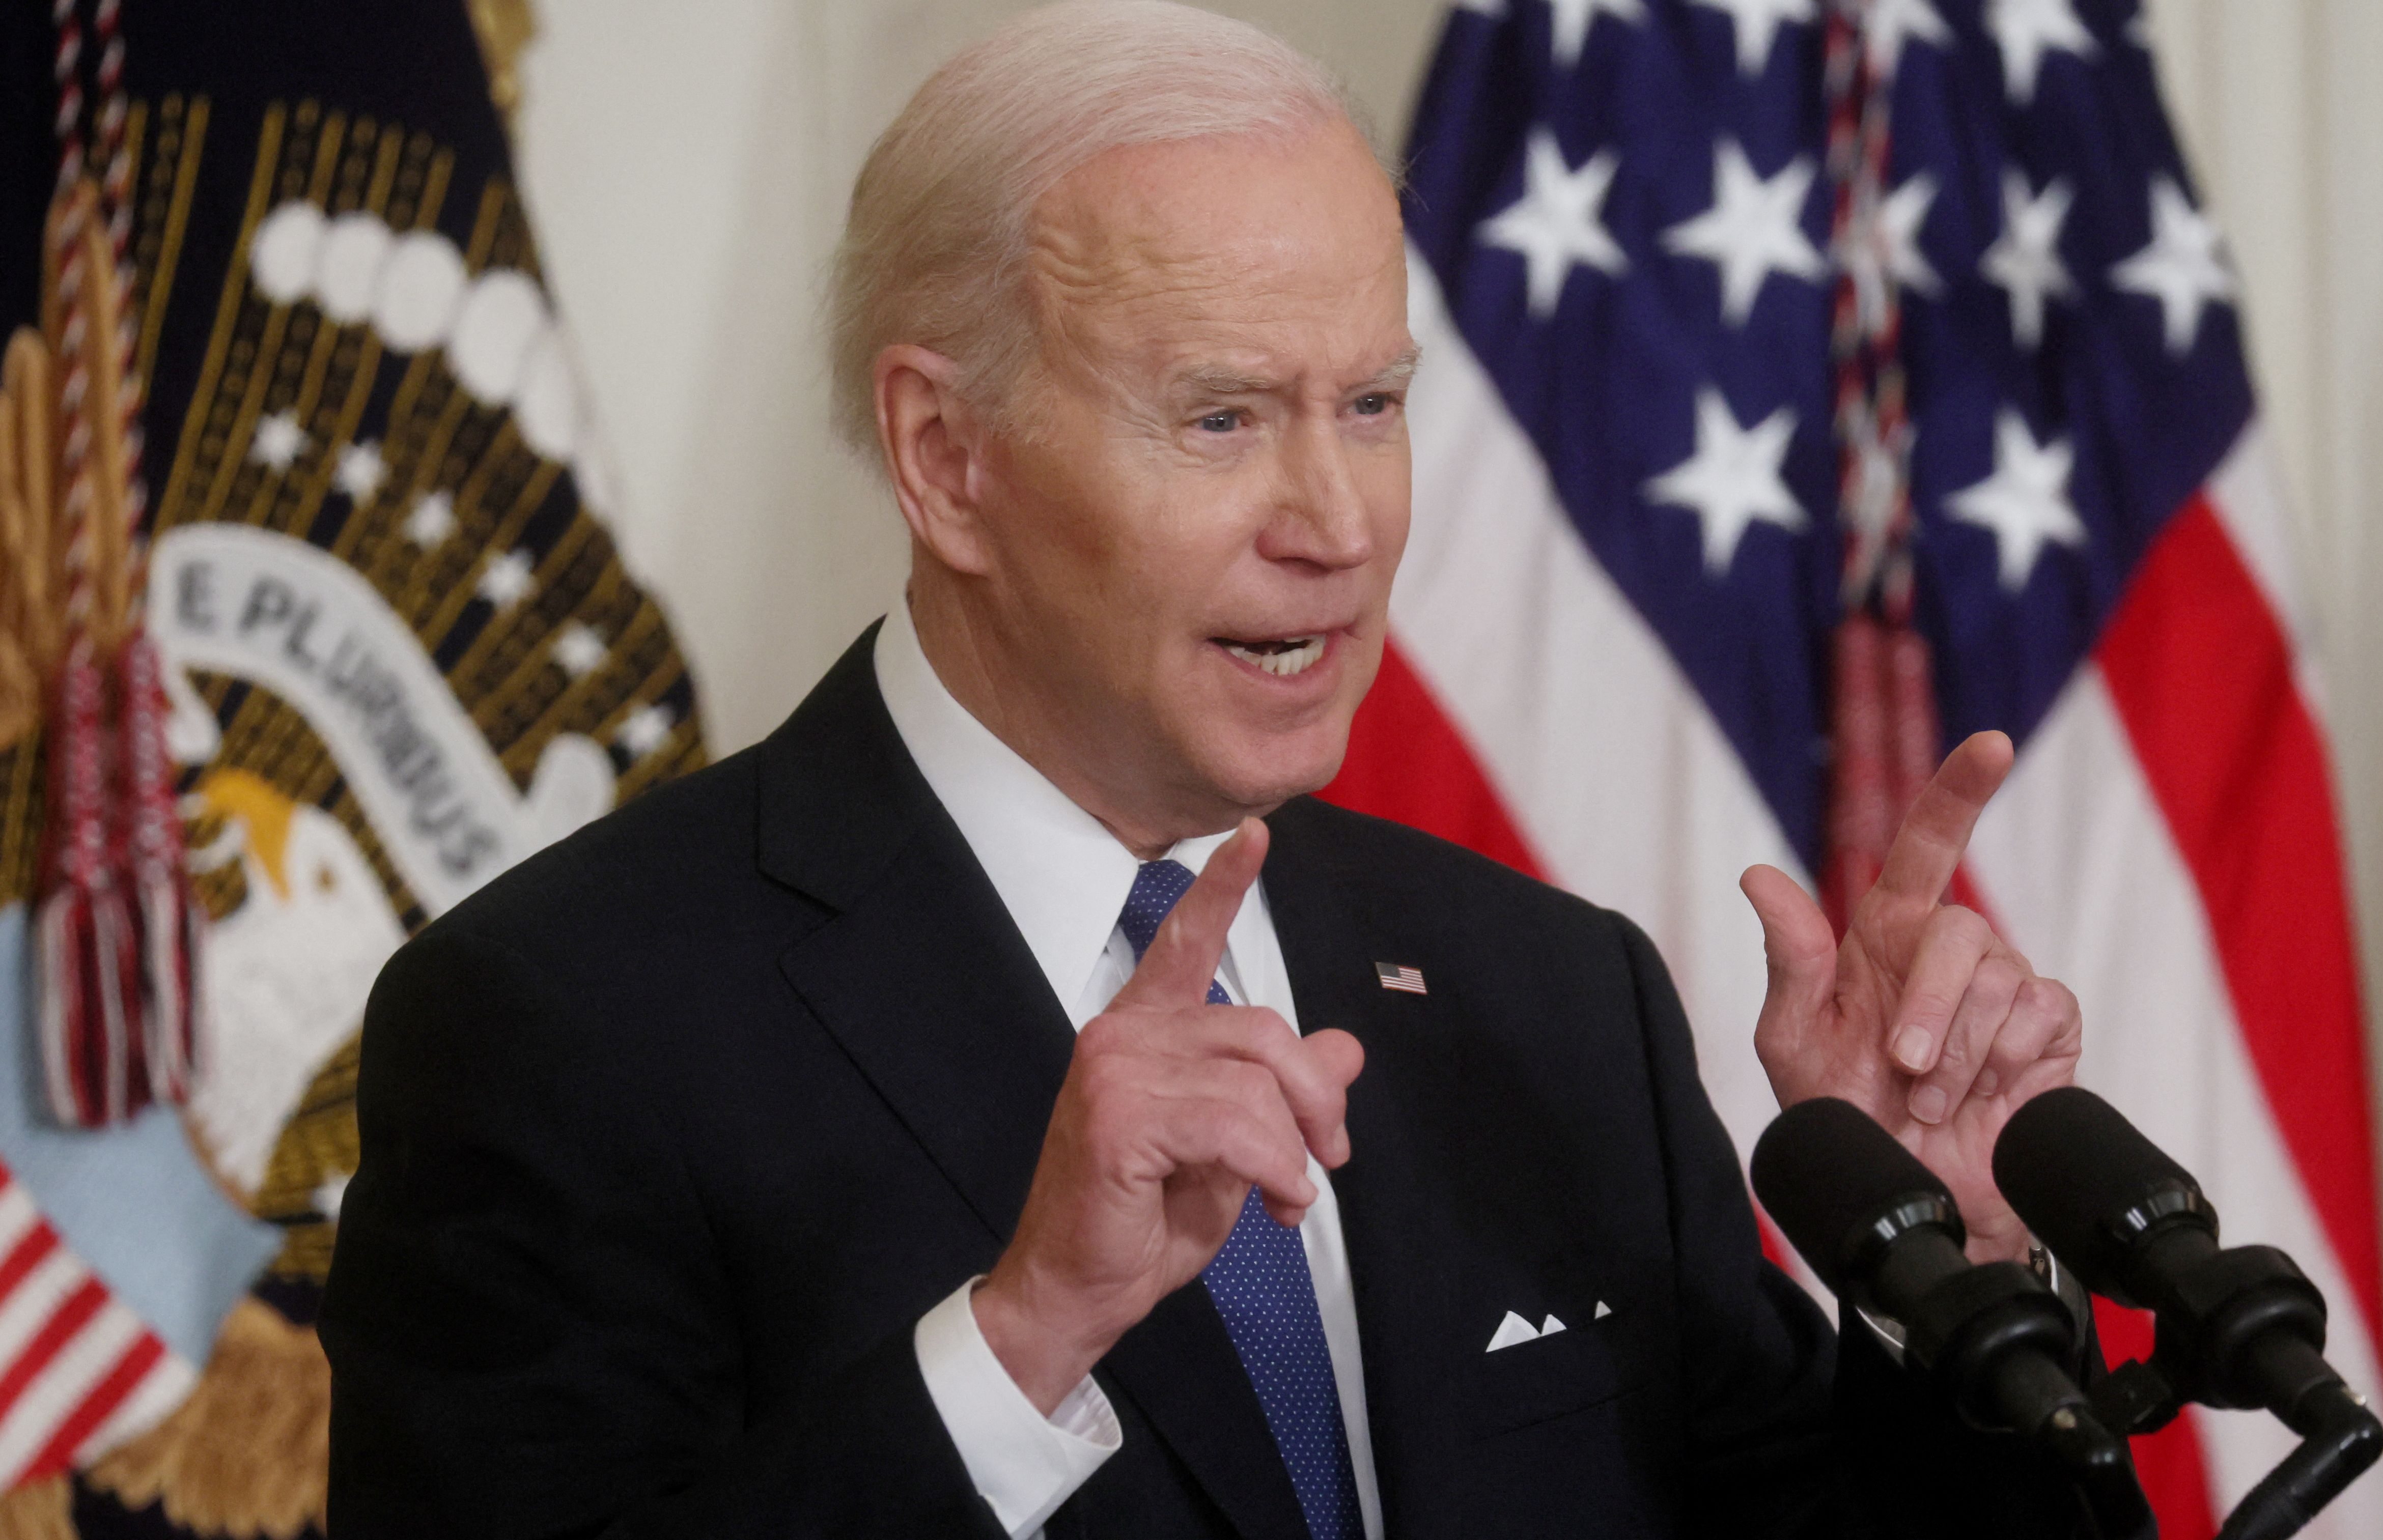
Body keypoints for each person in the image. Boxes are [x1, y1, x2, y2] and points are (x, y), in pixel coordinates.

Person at [321, 4, 2093, 1536]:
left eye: (1374, 406)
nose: (1335, 525)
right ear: (946, 460)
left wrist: (1953, 1272)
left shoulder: (1550, 998)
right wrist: (1017, 1345)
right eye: (1223, 417)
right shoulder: (565, 1026)